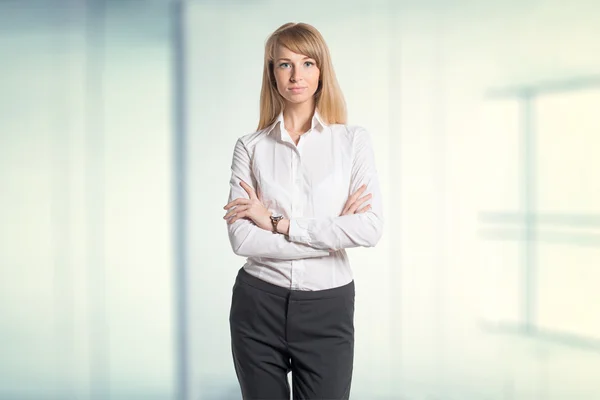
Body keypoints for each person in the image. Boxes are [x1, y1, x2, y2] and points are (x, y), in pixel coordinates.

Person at [222, 22, 384, 400]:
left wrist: (279, 223)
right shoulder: (250, 147)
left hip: (328, 308)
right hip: (257, 305)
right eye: (284, 64)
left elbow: (370, 228)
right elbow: (242, 237)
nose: (297, 75)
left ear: (322, 69)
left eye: (308, 63)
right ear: (272, 74)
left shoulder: (352, 142)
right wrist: (333, 234)